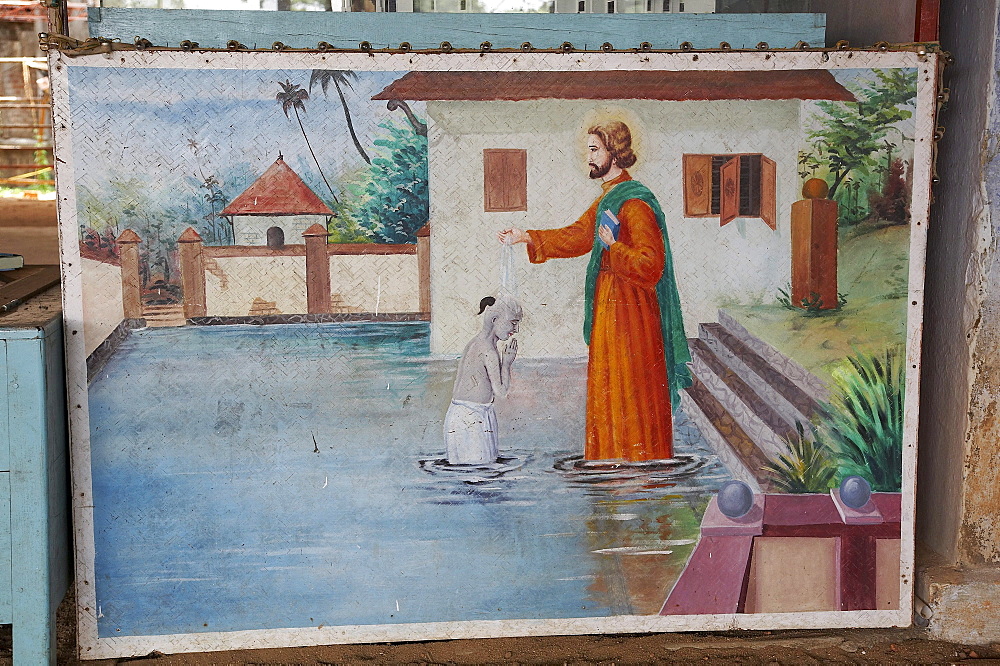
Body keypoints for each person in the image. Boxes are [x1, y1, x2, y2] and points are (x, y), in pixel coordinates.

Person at [499, 120, 690, 462]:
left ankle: (638, 461)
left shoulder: (634, 203)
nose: (587, 157)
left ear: (614, 154)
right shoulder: (609, 198)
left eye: (594, 150)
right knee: (609, 383)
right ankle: (610, 459)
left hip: (632, 312)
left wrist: (614, 248)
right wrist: (528, 236)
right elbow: (578, 235)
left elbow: (650, 265)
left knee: (630, 383)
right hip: (611, 307)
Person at [444, 294, 521, 465]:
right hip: (472, 419)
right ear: (495, 319)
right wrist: (507, 364)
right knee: (479, 474)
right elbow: (501, 392)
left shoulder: (475, 343)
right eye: (513, 323)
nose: (516, 330)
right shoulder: (489, 352)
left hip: (464, 415)